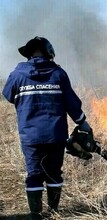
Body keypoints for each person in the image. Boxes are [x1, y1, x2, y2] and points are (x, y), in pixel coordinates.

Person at [2, 36, 92, 219]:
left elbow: (8, 95)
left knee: (34, 173)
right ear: (49, 53)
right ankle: (53, 213)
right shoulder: (59, 74)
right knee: (53, 173)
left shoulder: (17, 75)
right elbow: (72, 104)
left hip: (30, 136)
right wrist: (83, 123)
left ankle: (35, 214)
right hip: (56, 135)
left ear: (28, 54)